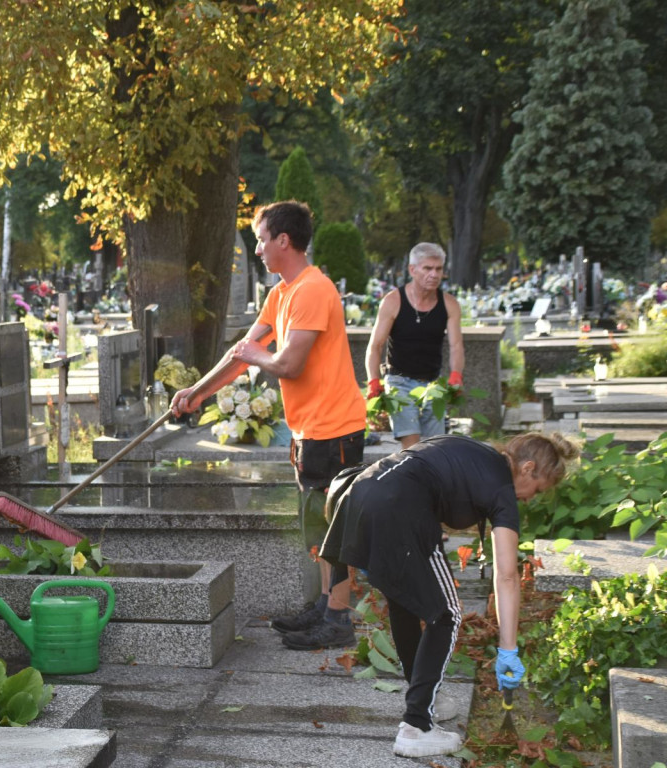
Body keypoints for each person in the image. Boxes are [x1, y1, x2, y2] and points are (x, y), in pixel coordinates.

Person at [171, 200, 366, 651]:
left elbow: (288, 364)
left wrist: (255, 355)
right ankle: (324, 605)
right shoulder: (281, 293)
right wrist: (197, 393)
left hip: (335, 427)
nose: (256, 249)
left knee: (333, 525)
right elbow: (240, 354)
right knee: (317, 525)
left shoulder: (313, 289)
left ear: (284, 240)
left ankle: (339, 619)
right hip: (309, 430)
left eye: (260, 239)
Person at [319, 431, 580, 757]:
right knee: (447, 613)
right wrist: (508, 649)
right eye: (537, 490)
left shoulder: (469, 449)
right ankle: (416, 727)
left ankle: (423, 698)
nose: (530, 499)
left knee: (406, 602)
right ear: (527, 468)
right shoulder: (501, 486)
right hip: (398, 509)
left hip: (362, 495)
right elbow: (507, 576)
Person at [366, 242, 465, 449]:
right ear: (412, 270)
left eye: (438, 269)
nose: (434, 274)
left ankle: (428, 482)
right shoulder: (393, 301)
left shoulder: (449, 304)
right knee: (411, 447)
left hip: (432, 383)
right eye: (427, 268)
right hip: (399, 381)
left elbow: (456, 345)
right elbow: (375, 345)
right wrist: (373, 381)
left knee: (432, 448)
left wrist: (456, 375)